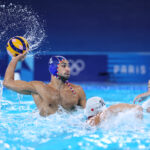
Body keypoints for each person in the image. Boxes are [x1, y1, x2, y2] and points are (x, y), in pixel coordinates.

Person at [3, 52, 86, 117]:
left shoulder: (77, 91)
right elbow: (7, 83)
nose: (68, 69)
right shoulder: (39, 88)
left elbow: (87, 115)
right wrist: (15, 59)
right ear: (53, 68)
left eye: (68, 66)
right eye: (64, 66)